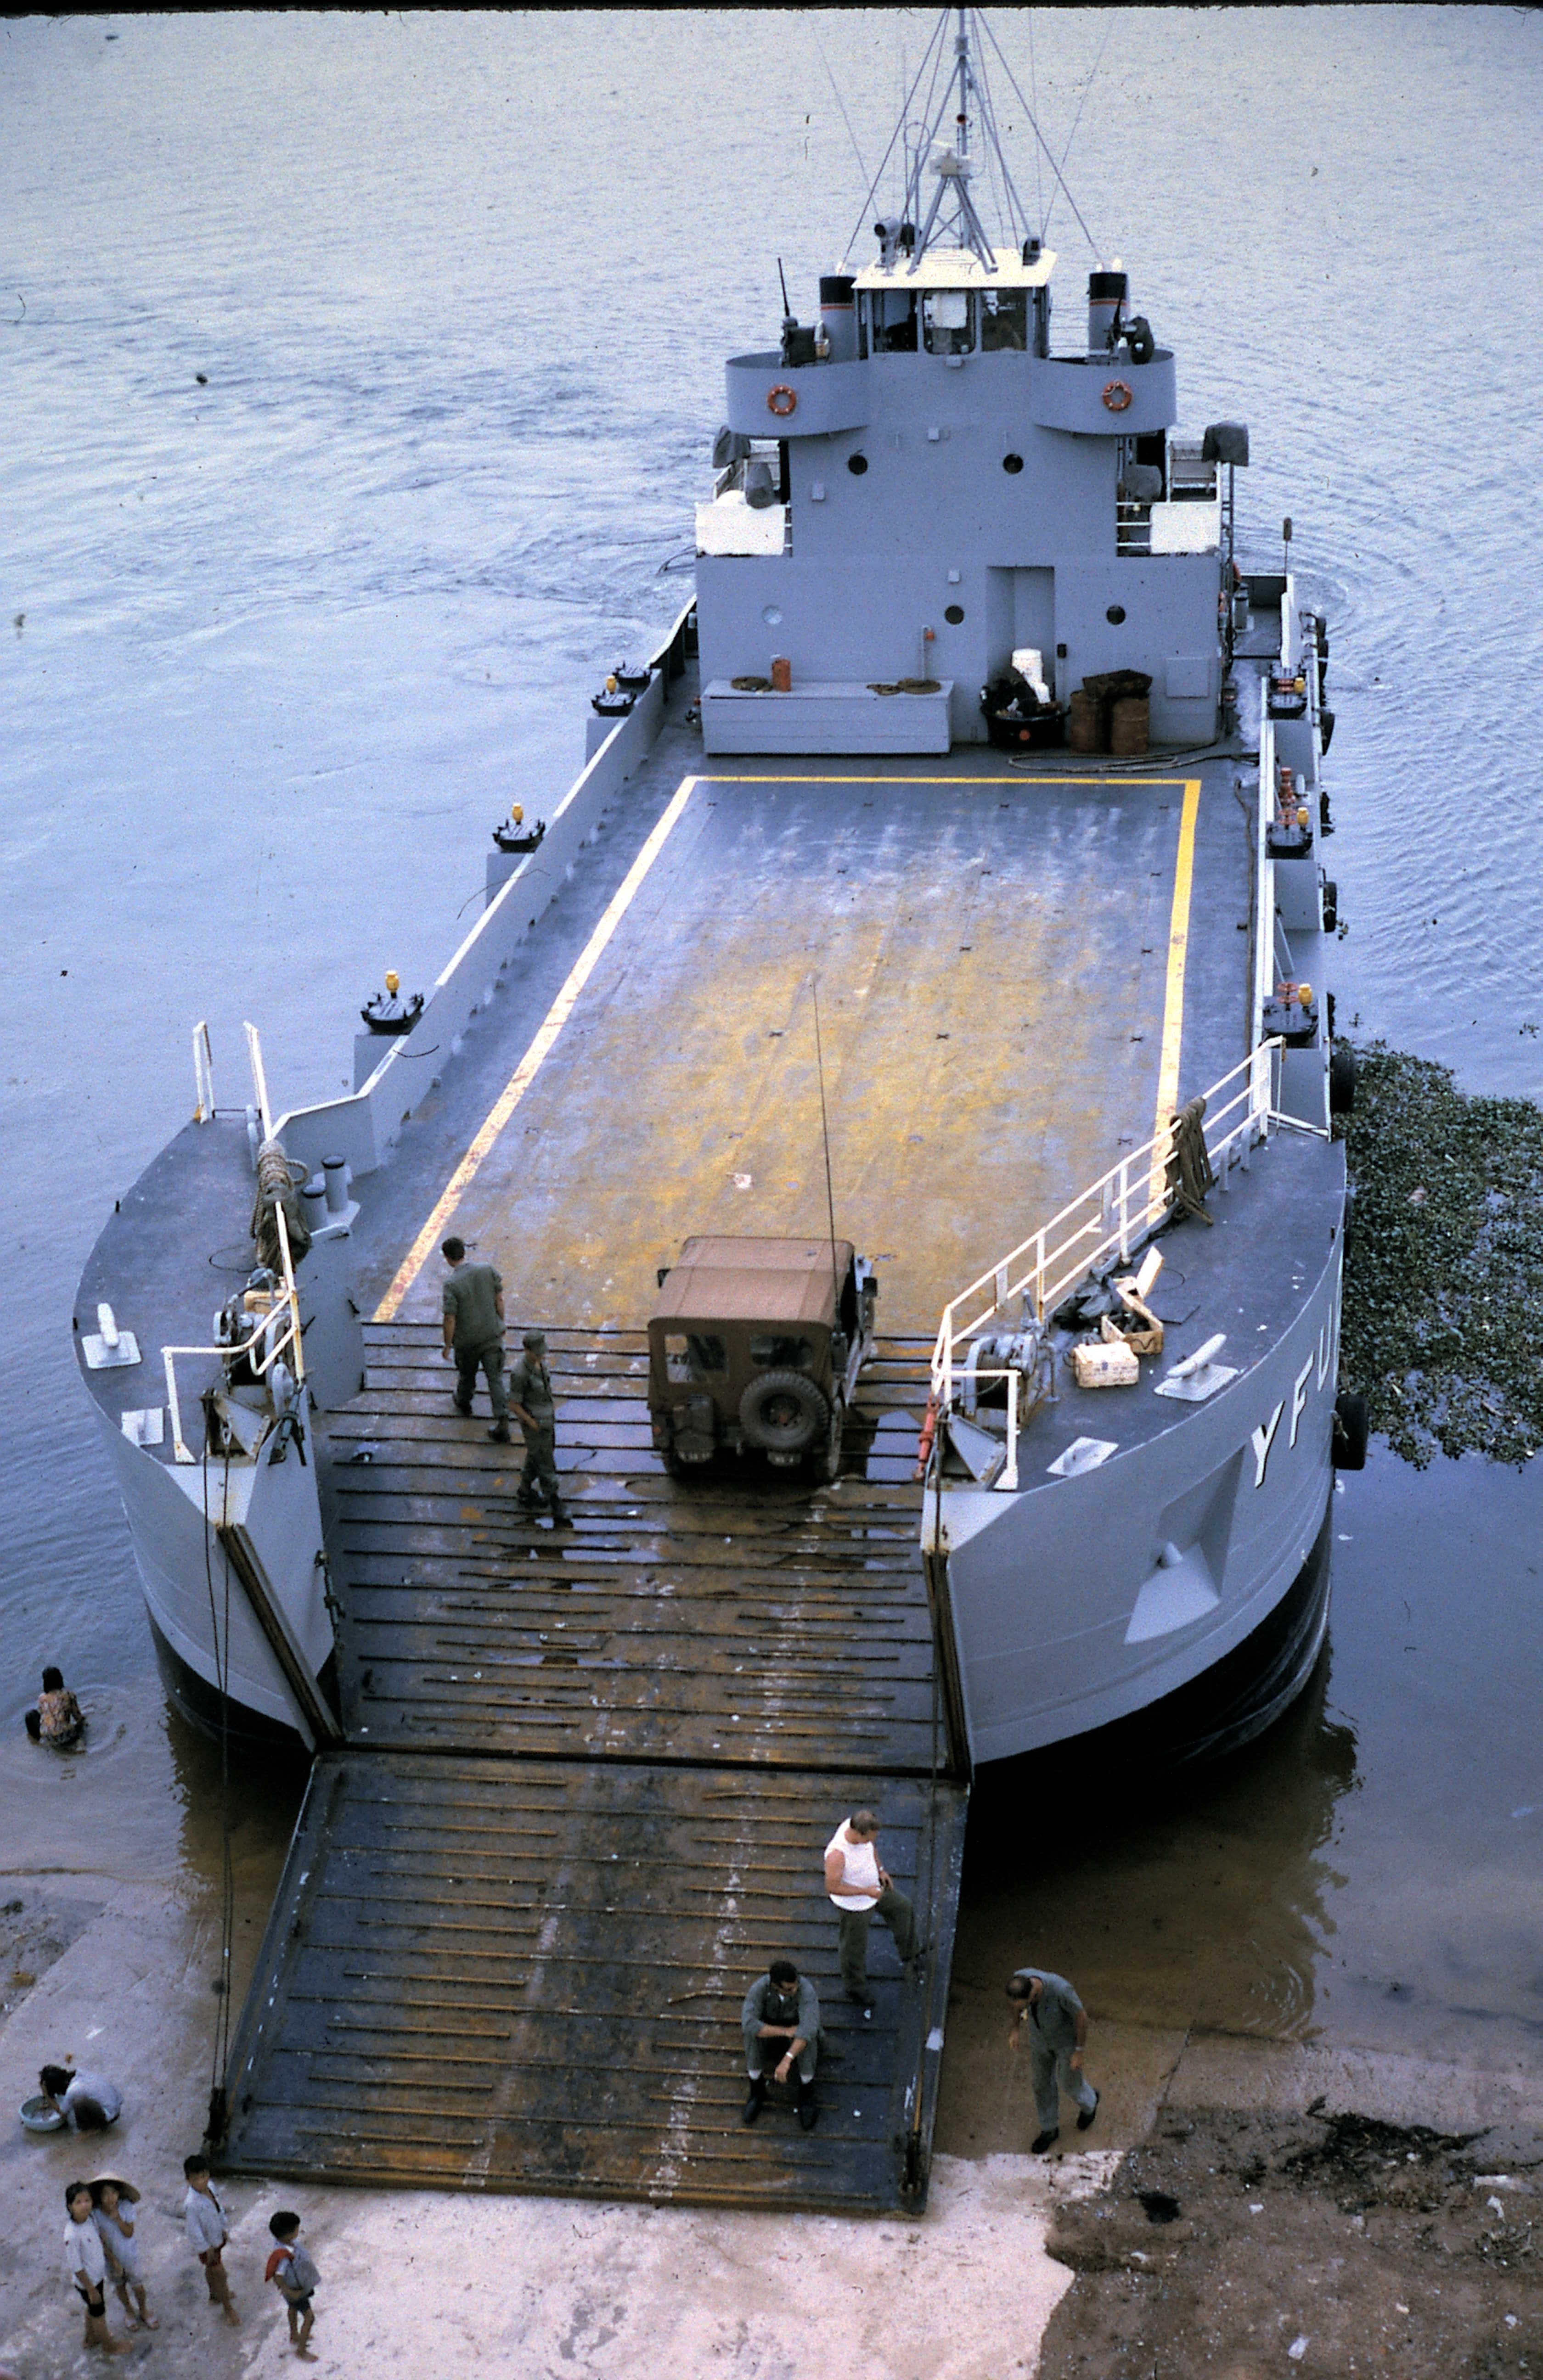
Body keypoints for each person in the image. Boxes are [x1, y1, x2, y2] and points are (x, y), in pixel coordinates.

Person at [824, 1808, 918, 2009]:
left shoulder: (856, 1829)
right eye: (868, 1838)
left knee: (904, 1908)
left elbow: (871, 1849)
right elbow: (832, 1887)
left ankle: (910, 1953)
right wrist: (865, 1891)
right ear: (859, 1833)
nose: (871, 1841)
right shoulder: (837, 1855)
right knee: (853, 1949)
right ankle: (855, 1988)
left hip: (874, 1890)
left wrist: (881, 1870)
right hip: (854, 1906)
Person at [1006, 1965, 1100, 2152]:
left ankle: (1090, 2103)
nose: (1022, 2009)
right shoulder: (1020, 1981)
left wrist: (1079, 2051)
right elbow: (1016, 2007)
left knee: (1069, 2083)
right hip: (1039, 2041)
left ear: (1033, 1995)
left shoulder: (1061, 1990)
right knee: (1041, 2083)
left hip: (1065, 2044)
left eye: (1025, 2005)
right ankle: (1049, 2129)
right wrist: (1015, 2029)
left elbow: (1081, 2017)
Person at [440, 1235, 510, 1442]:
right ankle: (503, 1423)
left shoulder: (451, 1284)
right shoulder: (487, 1270)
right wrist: (501, 1324)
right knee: (495, 1380)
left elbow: (450, 1318)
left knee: (467, 1375)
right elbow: (499, 1300)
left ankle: (464, 1402)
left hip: (467, 1343)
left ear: (448, 1258)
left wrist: (448, 1345)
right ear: (464, 1252)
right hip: (492, 1336)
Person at [741, 1957, 820, 2131]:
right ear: (775, 1987)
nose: (795, 1990)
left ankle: (807, 2091)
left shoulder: (806, 1991)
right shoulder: (760, 1989)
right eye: (790, 1989)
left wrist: (787, 2059)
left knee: (809, 2040)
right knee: (751, 2036)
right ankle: (757, 2088)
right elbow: (749, 2024)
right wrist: (784, 2032)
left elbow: (808, 2028)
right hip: (774, 2030)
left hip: (797, 2029)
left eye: (796, 1985)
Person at [507, 1327, 573, 1525]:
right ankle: (555, 1502)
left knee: (537, 1456)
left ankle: (524, 1491)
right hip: (535, 1425)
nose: (541, 1356)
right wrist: (531, 1423)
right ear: (527, 1350)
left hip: (547, 1421)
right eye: (537, 1353)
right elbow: (513, 1404)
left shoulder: (540, 1364)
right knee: (546, 1464)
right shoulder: (520, 1373)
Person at [64, 2180, 128, 2356]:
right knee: (99, 2313)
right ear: (70, 2207)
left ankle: (90, 2338)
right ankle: (109, 2347)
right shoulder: (72, 2235)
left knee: (92, 2308)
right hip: (88, 2283)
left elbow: (100, 2240)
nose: (84, 2205)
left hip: (97, 2277)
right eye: (78, 2202)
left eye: (87, 2200)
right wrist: (91, 2290)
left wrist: (113, 2260)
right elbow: (77, 2267)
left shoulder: (91, 2219)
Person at [92, 2175, 158, 2333]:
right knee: (120, 2286)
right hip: (110, 2260)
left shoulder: (125, 2207)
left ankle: (143, 2310)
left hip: (130, 2256)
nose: (111, 2198)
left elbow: (129, 2232)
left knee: (138, 2285)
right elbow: (99, 2241)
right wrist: (114, 2261)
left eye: (114, 2193)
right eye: (106, 2194)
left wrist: (118, 2220)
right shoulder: (95, 2214)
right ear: (99, 2196)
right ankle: (129, 2310)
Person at [183, 2153, 239, 2326]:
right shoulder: (191, 2204)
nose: (202, 2181)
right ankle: (228, 2309)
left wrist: (223, 2228)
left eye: (204, 2176)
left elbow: (218, 2208)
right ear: (188, 2181)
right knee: (220, 2274)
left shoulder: (211, 2187)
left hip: (216, 2237)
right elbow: (193, 2230)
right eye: (196, 2179)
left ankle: (214, 2295)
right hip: (208, 2246)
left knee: (211, 2269)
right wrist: (206, 2248)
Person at [266, 2210, 320, 2360]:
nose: (298, 2231)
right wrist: (290, 2291)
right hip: (295, 2290)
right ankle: (301, 2351)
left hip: (292, 2288)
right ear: (289, 2235)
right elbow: (278, 2277)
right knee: (310, 2318)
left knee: (293, 2308)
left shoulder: (284, 2245)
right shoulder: (283, 2256)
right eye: (297, 2229)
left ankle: (294, 2335)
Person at [39, 2065, 123, 2133]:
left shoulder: (73, 2090)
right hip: (115, 2104)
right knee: (77, 2100)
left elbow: (62, 2113)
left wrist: (47, 2095)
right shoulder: (79, 2073)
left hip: (111, 2115)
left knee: (78, 2103)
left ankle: (93, 2129)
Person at [26, 1667, 84, 1745]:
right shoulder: (69, 1695)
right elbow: (78, 1717)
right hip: (66, 1735)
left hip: (48, 1737)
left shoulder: (42, 1699)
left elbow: (45, 1716)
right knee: (80, 1726)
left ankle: (38, 1741)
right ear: (60, 1679)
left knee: (31, 1715)